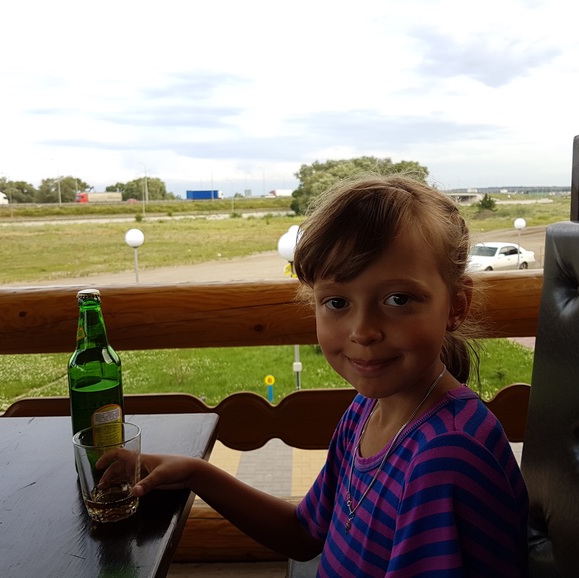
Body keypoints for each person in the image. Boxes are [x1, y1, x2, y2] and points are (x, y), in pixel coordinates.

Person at [126, 174, 529, 576]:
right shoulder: (367, 410)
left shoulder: (445, 459)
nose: (363, 331)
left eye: (398, 299)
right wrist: (196, 473)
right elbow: (304, 533)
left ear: (456, 306)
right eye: (337, 302)